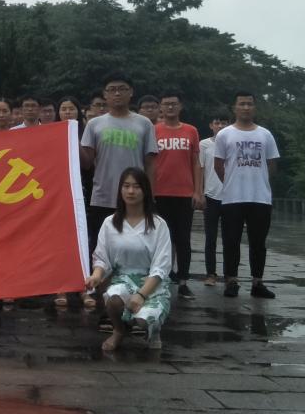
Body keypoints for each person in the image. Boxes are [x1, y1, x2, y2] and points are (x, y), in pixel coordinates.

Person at [86, 167, 171, 351]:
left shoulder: (159, 225)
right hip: (123, 279)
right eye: (126, 186)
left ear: (145, 191)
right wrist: (96, 276)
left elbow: (161, 266)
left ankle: (154, 329)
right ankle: (118, 330)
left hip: (151, 282)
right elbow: (102, 258)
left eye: (136, 187)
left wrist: (141, 295)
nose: (131, 191)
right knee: (113, 299)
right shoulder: (110, 223)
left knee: (142, 321)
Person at [79, 73, 157, 256]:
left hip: (134, 196)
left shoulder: (144, 123)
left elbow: (150, 164)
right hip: (103, 196)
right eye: (112, 90)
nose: (117, 93)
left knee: (134, 246)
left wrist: (150, 195)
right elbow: (87, 163)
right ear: (105, 94)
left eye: (122, 89)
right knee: (100, 248)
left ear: (131, 92)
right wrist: (72, 141)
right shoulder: (94, 124)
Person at [213, 92, 280, 299]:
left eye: (249, 104)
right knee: (231, 241)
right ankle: (231, 281)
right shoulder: (225, 134)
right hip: (232, 197)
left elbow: (272, 165)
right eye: (241, 104)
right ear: (234, 108)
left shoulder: (265, 135)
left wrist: (259, 181)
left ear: (254, 107)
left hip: (260, 197)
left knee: (258, 242)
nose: (246, 107)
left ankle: (257, 282)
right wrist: (232, 182)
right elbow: (218, 165)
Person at [153, 91, 203, 300]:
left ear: (180, 106)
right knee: (160, 240)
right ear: (161, 107)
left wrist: (198, 191)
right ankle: (159, 279)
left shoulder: (191, 131)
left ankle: (183, 281)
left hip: (184, 193)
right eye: (166, 104)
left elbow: (196, 163)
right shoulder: (154, 130)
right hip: (159, 193)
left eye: (174, 104)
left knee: (183, 239)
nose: (170, 107)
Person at [55, 96, 96, 309]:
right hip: (57, 195)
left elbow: (88, 164)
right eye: (64, 109)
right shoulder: (50, 133)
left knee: (82, 239)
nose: (67, 112)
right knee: (61, 240)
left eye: (71, 109)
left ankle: (84, 287)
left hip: (80, 194)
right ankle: (61, 287)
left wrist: (74, 139)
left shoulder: (86, 133)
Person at [199, 113, 229, 286]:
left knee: (229, 238)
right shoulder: (204, 144)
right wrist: (200, 193)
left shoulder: (233, 143)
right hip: (211, 195)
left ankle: (229, 274)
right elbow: (200, 169)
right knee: (210, 238)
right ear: (211, 125)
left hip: (230, 197)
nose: (220, 126)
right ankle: (211, 274)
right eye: (217, 123)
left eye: (224, 123)